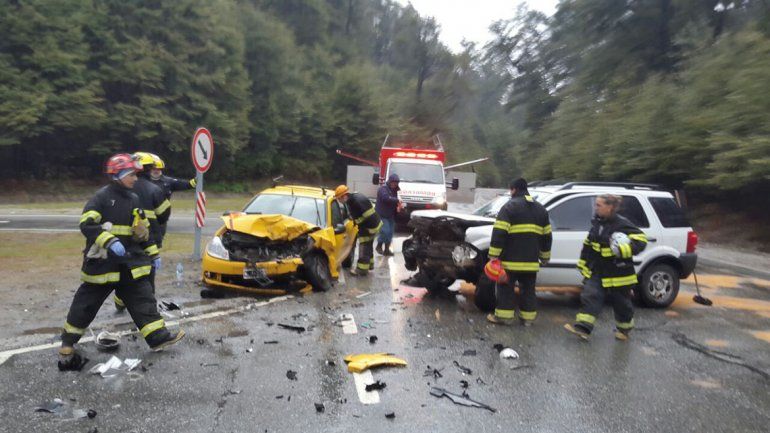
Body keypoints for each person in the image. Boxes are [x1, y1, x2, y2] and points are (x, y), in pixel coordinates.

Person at [58, 154, 185, 368]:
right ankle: (68, 342)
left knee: (143, 298)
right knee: (85, 304)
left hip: (128, 264)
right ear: (117, 175)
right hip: (102, 265)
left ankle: (158, 337)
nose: (136, 178)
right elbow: (86, 224)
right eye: (131, 174)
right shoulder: (102, 197)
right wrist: (109, 240)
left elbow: (143, 231)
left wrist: (153, 253)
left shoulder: (134, 199)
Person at [564, 194, 648, 341]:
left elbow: (641, 240)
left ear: (610, 207)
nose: (595, 208)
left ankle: (624, 329)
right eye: (595, 204)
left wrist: (622, 250)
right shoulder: (597, 223)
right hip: (598, 270)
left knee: (622, 303)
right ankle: (583, 328)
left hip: (619, 273)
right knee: (590, 296)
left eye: (599, 205)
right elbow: (588, 246)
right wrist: (584, 265)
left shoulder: (622, 223)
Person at [485, 178, 552, 327]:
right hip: (531, 263)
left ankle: (504, 318)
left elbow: (499, 233)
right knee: (528, 291)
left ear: (514, 189)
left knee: (506, 290)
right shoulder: (541, 209)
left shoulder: (509, 207)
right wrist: (545, 257)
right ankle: (527, 320)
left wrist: (493, 256)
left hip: (510, 262)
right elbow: (547, 236)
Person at [334, 185, 382, 276]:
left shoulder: (355, 202)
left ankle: (361, 270)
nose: (339, 201)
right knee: (369, 245)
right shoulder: (354, 198)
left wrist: (358, 225)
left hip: (369, 226)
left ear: (344, 196)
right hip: (374, 224)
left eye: (339, 199)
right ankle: (370, 265)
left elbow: (364, 217)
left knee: (364, 247)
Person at [147, 153, 196, 241]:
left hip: (161, 219)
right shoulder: (143, 182)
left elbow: (187, 184)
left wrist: (197, 180)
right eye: (154, 169)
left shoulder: (168, 182)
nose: (156, 171)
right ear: (150, 169)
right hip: (145, 218)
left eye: (159, 169)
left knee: (158, 242)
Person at [375, 174, 402, 256]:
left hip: (391, 215)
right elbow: (385, 198)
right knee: (385, 231)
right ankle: (379, 246)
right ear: (389, 181)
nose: (394, 184)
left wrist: (399, 207)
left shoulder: (397, 191)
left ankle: (387, 249)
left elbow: (399, 200)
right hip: (382, 214)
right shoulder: (383, 189)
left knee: (390, 233)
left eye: (396, 182)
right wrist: (397, 200)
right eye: (393, 182)